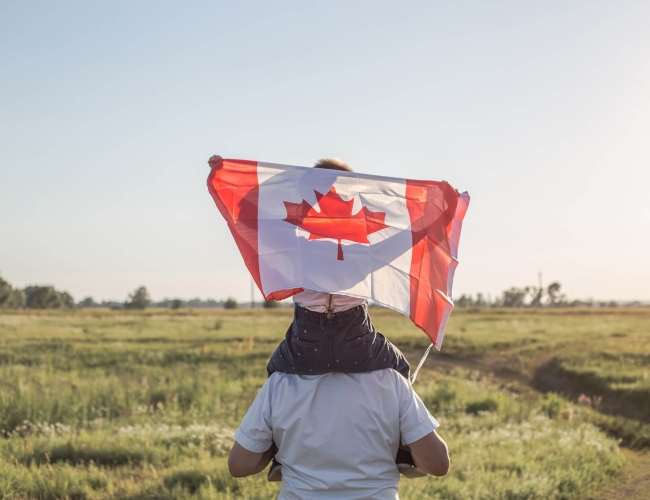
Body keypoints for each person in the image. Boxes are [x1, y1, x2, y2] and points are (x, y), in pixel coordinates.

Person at [228, 368, 449, 499]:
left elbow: (240, 465)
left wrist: (276, 444)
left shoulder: (280, 382)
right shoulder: (391, 380)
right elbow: (438, 464)